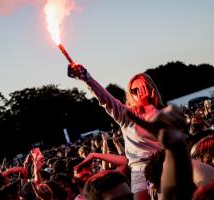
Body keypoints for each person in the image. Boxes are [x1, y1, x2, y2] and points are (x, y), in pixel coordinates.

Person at [67, 63, 164, 200]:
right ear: (130, 95)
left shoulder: (164, 114)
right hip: (139, 171)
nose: (141, 94)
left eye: (145, 88)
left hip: (165, 165)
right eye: (136, 91)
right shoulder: (126, 115)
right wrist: (86, 78)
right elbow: (105, 99)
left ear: (152, 90)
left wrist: (149, 107)